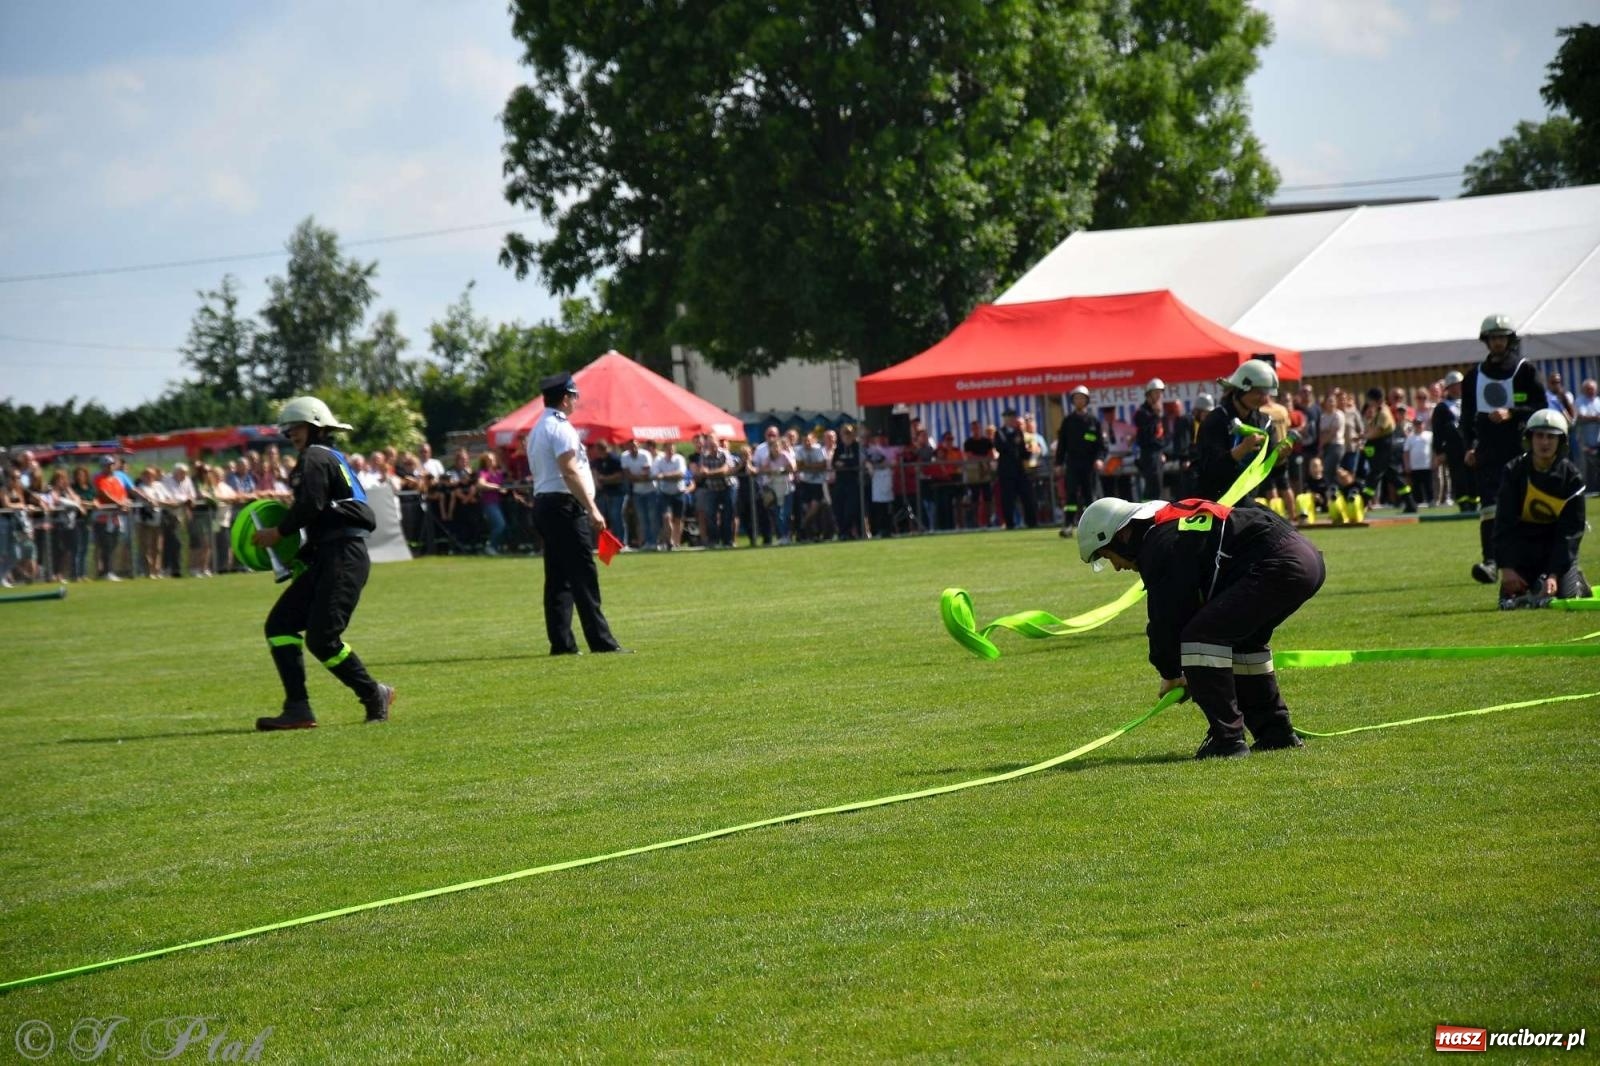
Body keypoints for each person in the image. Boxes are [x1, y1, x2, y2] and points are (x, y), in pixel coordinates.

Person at [1075, 494, 1325, 758]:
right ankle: (1274, 733)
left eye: (1107, 555)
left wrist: (1170, 674)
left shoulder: (1158, 543)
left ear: (1122, 536)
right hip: (1303, 557)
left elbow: (1166, 620)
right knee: (1244, 644)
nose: (1115, 567)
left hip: (1279, 563)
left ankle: (1227, 741)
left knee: (1199, 639)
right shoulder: (1171, 523)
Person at [252, 395, 394, 731]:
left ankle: (374, 693)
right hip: (330, 554)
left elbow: (312, 505)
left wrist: (278, 532)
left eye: (296, 428)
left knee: (322, 638)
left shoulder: (314, 457)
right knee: (280, 625)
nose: (291, 436)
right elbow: (321, 512)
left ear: (316, 426)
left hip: (344, 555)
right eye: (287, 432)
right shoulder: (327, 456)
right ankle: (298, 708)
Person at [526, 373, 624, 655]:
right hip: (564, 507)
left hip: (546, 504)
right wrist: (592, 508)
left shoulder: (538, 427)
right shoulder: (561, 428)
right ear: (566, 397)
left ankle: (562, 643)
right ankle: (601, 641)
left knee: (557, 577)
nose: (576, 401)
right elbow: (569, 470)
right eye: (574, 396)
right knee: (583, 574)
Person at [1462, 313, 1544, 585]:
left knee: (1521, 507)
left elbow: (1541, 409)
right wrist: (1469, 447)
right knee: (1488, 509)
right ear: (1486, 341)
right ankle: (1491, 562)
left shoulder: (1526, 371)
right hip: (1486, 452)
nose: (1497, 343)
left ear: (1509, 340)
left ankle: (1527, 561)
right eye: (1493, 338)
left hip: (1519, 450)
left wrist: (1512, 413)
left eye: (1502, 338)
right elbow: (1466, 418)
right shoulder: (1473, 376)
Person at [1493, 410, 1589, 608]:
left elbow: (1570, 532)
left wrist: (1554, 574)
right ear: (1529, 438)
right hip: (1523, 549)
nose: (1545, 442)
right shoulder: (1513, 472)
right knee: (1509, 602)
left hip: (1556, 548)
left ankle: (1576, 580)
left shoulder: (1572, 478)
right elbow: (1504, 522)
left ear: (1561, 441)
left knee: (1565, 597)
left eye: (1551, 436)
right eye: (1539, 435)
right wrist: (1507, 568)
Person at [1194, 359, 1277, 502]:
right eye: (1258, 392)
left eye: (1266, 393)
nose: (1264, 398)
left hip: (1247, 499)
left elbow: (1272, 470)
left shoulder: (1265, 423)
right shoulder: (1215, 421)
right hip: (1212, 501)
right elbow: (1210, 468)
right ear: (1240, 390)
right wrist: (1241, 450)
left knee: (1278, 524)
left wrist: (1280, 458)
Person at [1055, 385, 1106, 536]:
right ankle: (1068, 525)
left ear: (1087, 400)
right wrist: (1058, 463)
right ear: (1073, 401)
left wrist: (1099, 459)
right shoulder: (1068, 421)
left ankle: (1092, 527)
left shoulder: (1093, 422)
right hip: (1072, 463)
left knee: (1089, 495)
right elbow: (1061, 444)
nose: (1079, 401)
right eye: (1076, 398)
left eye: (1082, 398)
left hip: (1089, 465)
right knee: (1070, 495)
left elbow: (1101, 445)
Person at [1360, 387, 1416, 513]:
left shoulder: (1384, 413)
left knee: (1374, 475)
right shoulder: (1379, 412)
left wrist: (1364, 436)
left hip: (1384, 447)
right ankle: (1410, 503)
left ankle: (1362, 503)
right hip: (1381, 447)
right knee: (1393, 476)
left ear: (1375, 400)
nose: (1369, 403)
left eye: (1370, 400)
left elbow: (1378, 431)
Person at [1431, 370, 1474, 511]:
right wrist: (1439, 452)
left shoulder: (1471, 402)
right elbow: (1437, 432)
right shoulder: (1442, 408)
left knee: (1473, 476)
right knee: (1459, 477)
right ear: (1449, 388)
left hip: (1470, 446)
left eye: (1460, 384)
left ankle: (1474, 502)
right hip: (1454, 449)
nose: (1459, 387)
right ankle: (1463, 504)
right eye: (1455, 385)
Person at [993, 408, 1038, 528]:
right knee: (1008, 499)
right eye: (1009, 417)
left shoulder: (1018, 432)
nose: (1011, 420)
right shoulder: (1000, 433)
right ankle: (1010, 523)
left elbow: (1022, 451)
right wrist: (1014, 443)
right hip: (1006, 471)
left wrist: (1029, 452)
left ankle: (1031, 522)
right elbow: (1000, 448)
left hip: (1019, 470)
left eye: (1013, 417)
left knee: (1027, 496)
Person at [1132, 379, 1167, 501]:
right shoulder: (1142, 413)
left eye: (1160, 393)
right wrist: (1155, 416)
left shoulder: (1156, 413)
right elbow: (1147, 435)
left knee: (1158, 487)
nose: (1159, 396)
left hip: (1157, 454)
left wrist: (1162, 452)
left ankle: (1157, 515)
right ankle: (1146, 514)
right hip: (1148, 455)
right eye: (1156, 393)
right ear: (1148, 394)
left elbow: (1161, 435)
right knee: (1151, 487)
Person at [652, 442, 689, 550]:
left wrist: (664, 475)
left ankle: (677, 542)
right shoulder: (659, 460)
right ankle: (670, 541)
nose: (671, 451)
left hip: (679, 492)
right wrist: (670, 476)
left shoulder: (679, 459)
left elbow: (681, 474)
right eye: (668, 449)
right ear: (664, 450)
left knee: (678, 519)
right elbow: (655, 475)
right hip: (665, 493)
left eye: (672, 449)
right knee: (667, 517)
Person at [475, 451, 508, 555]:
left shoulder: (499, 473)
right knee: (500, 525)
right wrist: (496, 487)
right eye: (488, 460)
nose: (491, 461)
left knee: (501, 526)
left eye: (493, 459)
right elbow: (480, 484)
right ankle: (491, 547)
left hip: (500, 503)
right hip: (489, 504)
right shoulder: (484, 472)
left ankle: (496, 547)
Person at [1575, 378, 1600, 492]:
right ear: (1584, 390)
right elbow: (1580, 417)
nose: (1591, 391)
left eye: (1593, 389)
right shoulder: (1579, 401)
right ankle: (1589, 491)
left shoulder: (1598, 401)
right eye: (1588, 389)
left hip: (1598, 440)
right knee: (1588, 469)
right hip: (1586, 442)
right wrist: (1596, 418)